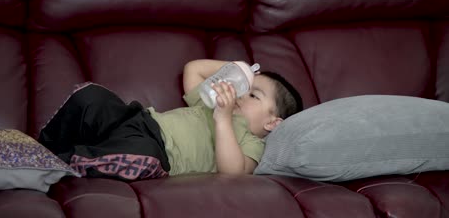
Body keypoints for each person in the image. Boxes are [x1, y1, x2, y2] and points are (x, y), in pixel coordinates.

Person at [38, 59, 303, 181]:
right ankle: (39, 149)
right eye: (245, 89)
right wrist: (237, 70)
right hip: (139, 118)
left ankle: (58, 162)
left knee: (139, 157)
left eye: (253, 95)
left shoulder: (250, 140)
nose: (242, 95)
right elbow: (194, 69)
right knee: (92, 97)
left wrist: (223, 118)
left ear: (272, 122)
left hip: (155, 151)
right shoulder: (209, 103)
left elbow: (233, 172)